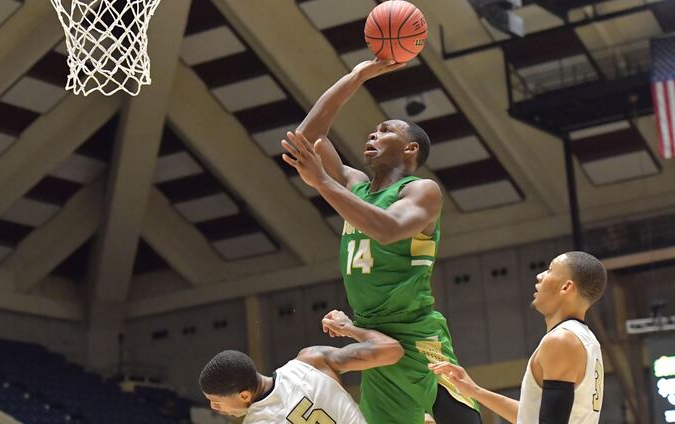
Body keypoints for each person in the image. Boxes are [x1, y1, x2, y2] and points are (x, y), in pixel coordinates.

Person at [280, 59, 480, 423]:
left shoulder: (422, 190)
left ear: (410, 149)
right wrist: (356, 77)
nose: (372, 135)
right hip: (372, 336)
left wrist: (322, 182)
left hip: (415, 332)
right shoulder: (354, 185)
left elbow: (387, 230)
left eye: (384, 130)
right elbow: (303, 142)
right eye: (371, 131)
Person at [430, 251, 607, 424]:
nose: (539, 276)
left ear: (566, 287)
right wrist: (474, 390)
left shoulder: (562, 340)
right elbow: (530, 418)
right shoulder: (585, 340)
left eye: (550, 270)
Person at [199, 310, 403, 423]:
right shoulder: (311, 361)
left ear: (244, 395)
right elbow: (392, 350)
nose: (214, 408)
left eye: (216, 401)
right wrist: (347, 328)